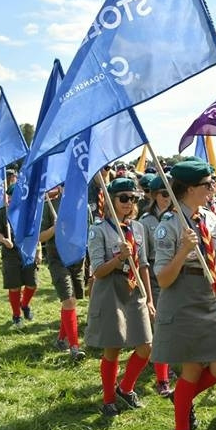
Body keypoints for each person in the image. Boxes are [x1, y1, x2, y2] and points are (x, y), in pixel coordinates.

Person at [151, 158, 216, 430]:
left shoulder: (209, 218)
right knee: (192, 368)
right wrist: (184, 250)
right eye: (207, 184)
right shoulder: (170, 224)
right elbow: (163, 278)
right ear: (189, 189)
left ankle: (182, 400)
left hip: (208, 294)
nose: (213, 187)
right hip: (182, 294)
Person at [85, 177, 156, 417]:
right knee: (113, 348)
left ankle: (125, 388)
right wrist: (118, 259)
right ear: (111, 200)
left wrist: (149, 298)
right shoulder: (98, 230)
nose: (129, 202)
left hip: (134, 288)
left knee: (146, 346)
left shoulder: (138, 228)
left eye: (133, 198)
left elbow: (143, 265)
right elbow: (97, 271)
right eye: (123, 198)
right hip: (110, 290)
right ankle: (108, 400)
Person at [137, 174, 176, 396]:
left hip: (176, 272)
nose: (167, 198)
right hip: (155, 273)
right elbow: (143, 257)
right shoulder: (146, 222)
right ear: (153, 195)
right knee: (161, 325)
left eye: (170, 193)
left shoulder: (177, 217)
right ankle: (162, 377)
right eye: (163, 194)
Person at [39, 186, 86, 360]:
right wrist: (54, 228)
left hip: (78, 259)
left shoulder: (84, 206)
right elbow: (40, 237)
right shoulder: (49, 206)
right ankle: (74, 347)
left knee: (72, 301)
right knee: (68, 300)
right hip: (57, 258)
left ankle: (60, 339)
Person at [0, 175, 38, 326]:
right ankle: (16, 315)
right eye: (11, 196)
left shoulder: (29, 212)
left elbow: (36, 233)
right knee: (14, 286)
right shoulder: (2, 212)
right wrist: (4, 240)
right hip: (10, 254)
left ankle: (24, 305)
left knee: (32, 283)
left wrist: (38, 252)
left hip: (27, 252)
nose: (13, 199)